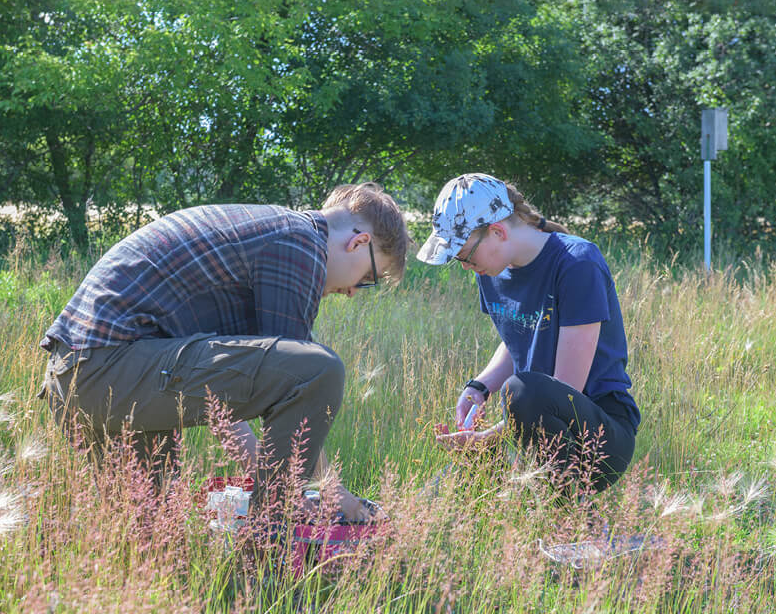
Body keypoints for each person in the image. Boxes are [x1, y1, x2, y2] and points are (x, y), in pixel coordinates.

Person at [40, 182, 410, 519]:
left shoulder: (268, 232)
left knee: (152, 532)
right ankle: (270, 547)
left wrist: (297, 490)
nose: (352, 291)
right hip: (109, 368)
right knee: (320, 369)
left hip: (80, 378)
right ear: (358, 243)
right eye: (367, 280)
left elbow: (223, 405)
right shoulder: (300, 245)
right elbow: (301, 381)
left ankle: (257, 541)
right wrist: (335, 497)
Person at [418, 173, 640, 494]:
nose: (465, 266)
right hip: (533, 423)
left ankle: (571, 511)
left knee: (523, 392)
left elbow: (564, 389)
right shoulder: (492, 269)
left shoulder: (578, 264)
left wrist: (489, 438)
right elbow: (520, 336)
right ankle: (524, 510)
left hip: (599, 435)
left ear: (497, 232)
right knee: (446, 492)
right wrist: (479, 388)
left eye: (465, 256)